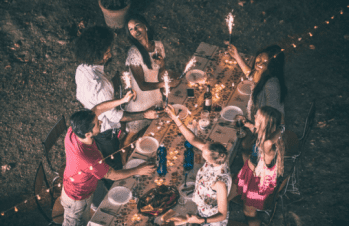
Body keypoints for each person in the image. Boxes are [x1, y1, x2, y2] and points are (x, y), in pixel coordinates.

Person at [61, 92, 156, 226]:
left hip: (84, 187)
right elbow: (113, 175)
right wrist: (138, 170)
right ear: (88, 134)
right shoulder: (89, 159)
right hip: (77, 199)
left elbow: (98, 109)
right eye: (96, 124)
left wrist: (122, 100)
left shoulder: (73, 131)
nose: (100, 121)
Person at [74, 25, 158, 167]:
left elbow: (81, 98)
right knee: (114, 163)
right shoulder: (101, 84)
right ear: (96, 54)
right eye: (107, 53)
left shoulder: (81, 69)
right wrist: (145, 115)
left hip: (93, 123)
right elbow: (115, 117)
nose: (110, 55)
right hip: (106, 132)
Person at [164, 105, 232, 226]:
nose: (201, 148)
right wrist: (175, 118)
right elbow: (192, 138)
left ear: (210, 160)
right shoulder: (215, 155)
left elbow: (222, 214)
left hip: (212, 219)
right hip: (202, 211)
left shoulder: (220, 183)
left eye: (203, 153)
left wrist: (200, 221)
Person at [123, 13, 181, 146]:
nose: (135, 31)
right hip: (141, 100)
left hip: (156, 95)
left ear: (146, 26)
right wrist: (166, 83)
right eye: (131, 29)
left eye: (137, 26)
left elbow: (161, 73)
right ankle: (123, 156)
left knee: (158, 127)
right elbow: (142, 85)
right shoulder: (134, 53)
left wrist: (162, 65)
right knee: (132, 134)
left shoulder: (158, 45)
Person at [231, 106, 285, 226]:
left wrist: (282, 128)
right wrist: (249, 124)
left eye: (257, 117)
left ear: (263, 124)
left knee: (249, 213)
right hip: (250, 174)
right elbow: (257, 131)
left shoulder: (268, 147)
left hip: (256, 184)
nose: (254, 117)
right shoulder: (265, 135)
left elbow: (268, 142)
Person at [228, 44, 287, 123]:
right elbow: (250, 74)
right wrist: (236, 56)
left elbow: (273, 116)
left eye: (265, 63)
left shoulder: (272, 85)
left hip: (263, 125)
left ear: (272, 66)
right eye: (259, 57)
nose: (259, 63)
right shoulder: (260, 73)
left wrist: (253, 126)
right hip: (254, 117)